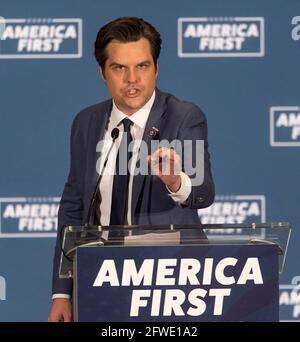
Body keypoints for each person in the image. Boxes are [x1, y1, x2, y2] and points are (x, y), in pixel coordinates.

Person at [48, 16, 215, 322]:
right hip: (100, 278)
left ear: (156, 68)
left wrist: (176, 182)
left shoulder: (182, 118)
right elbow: (73, 208)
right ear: (102, 73)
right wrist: (63, 292)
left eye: (142, 66)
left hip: (167, 283)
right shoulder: (86, 123)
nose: (132, 79)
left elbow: (203, 192)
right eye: (119, 68)